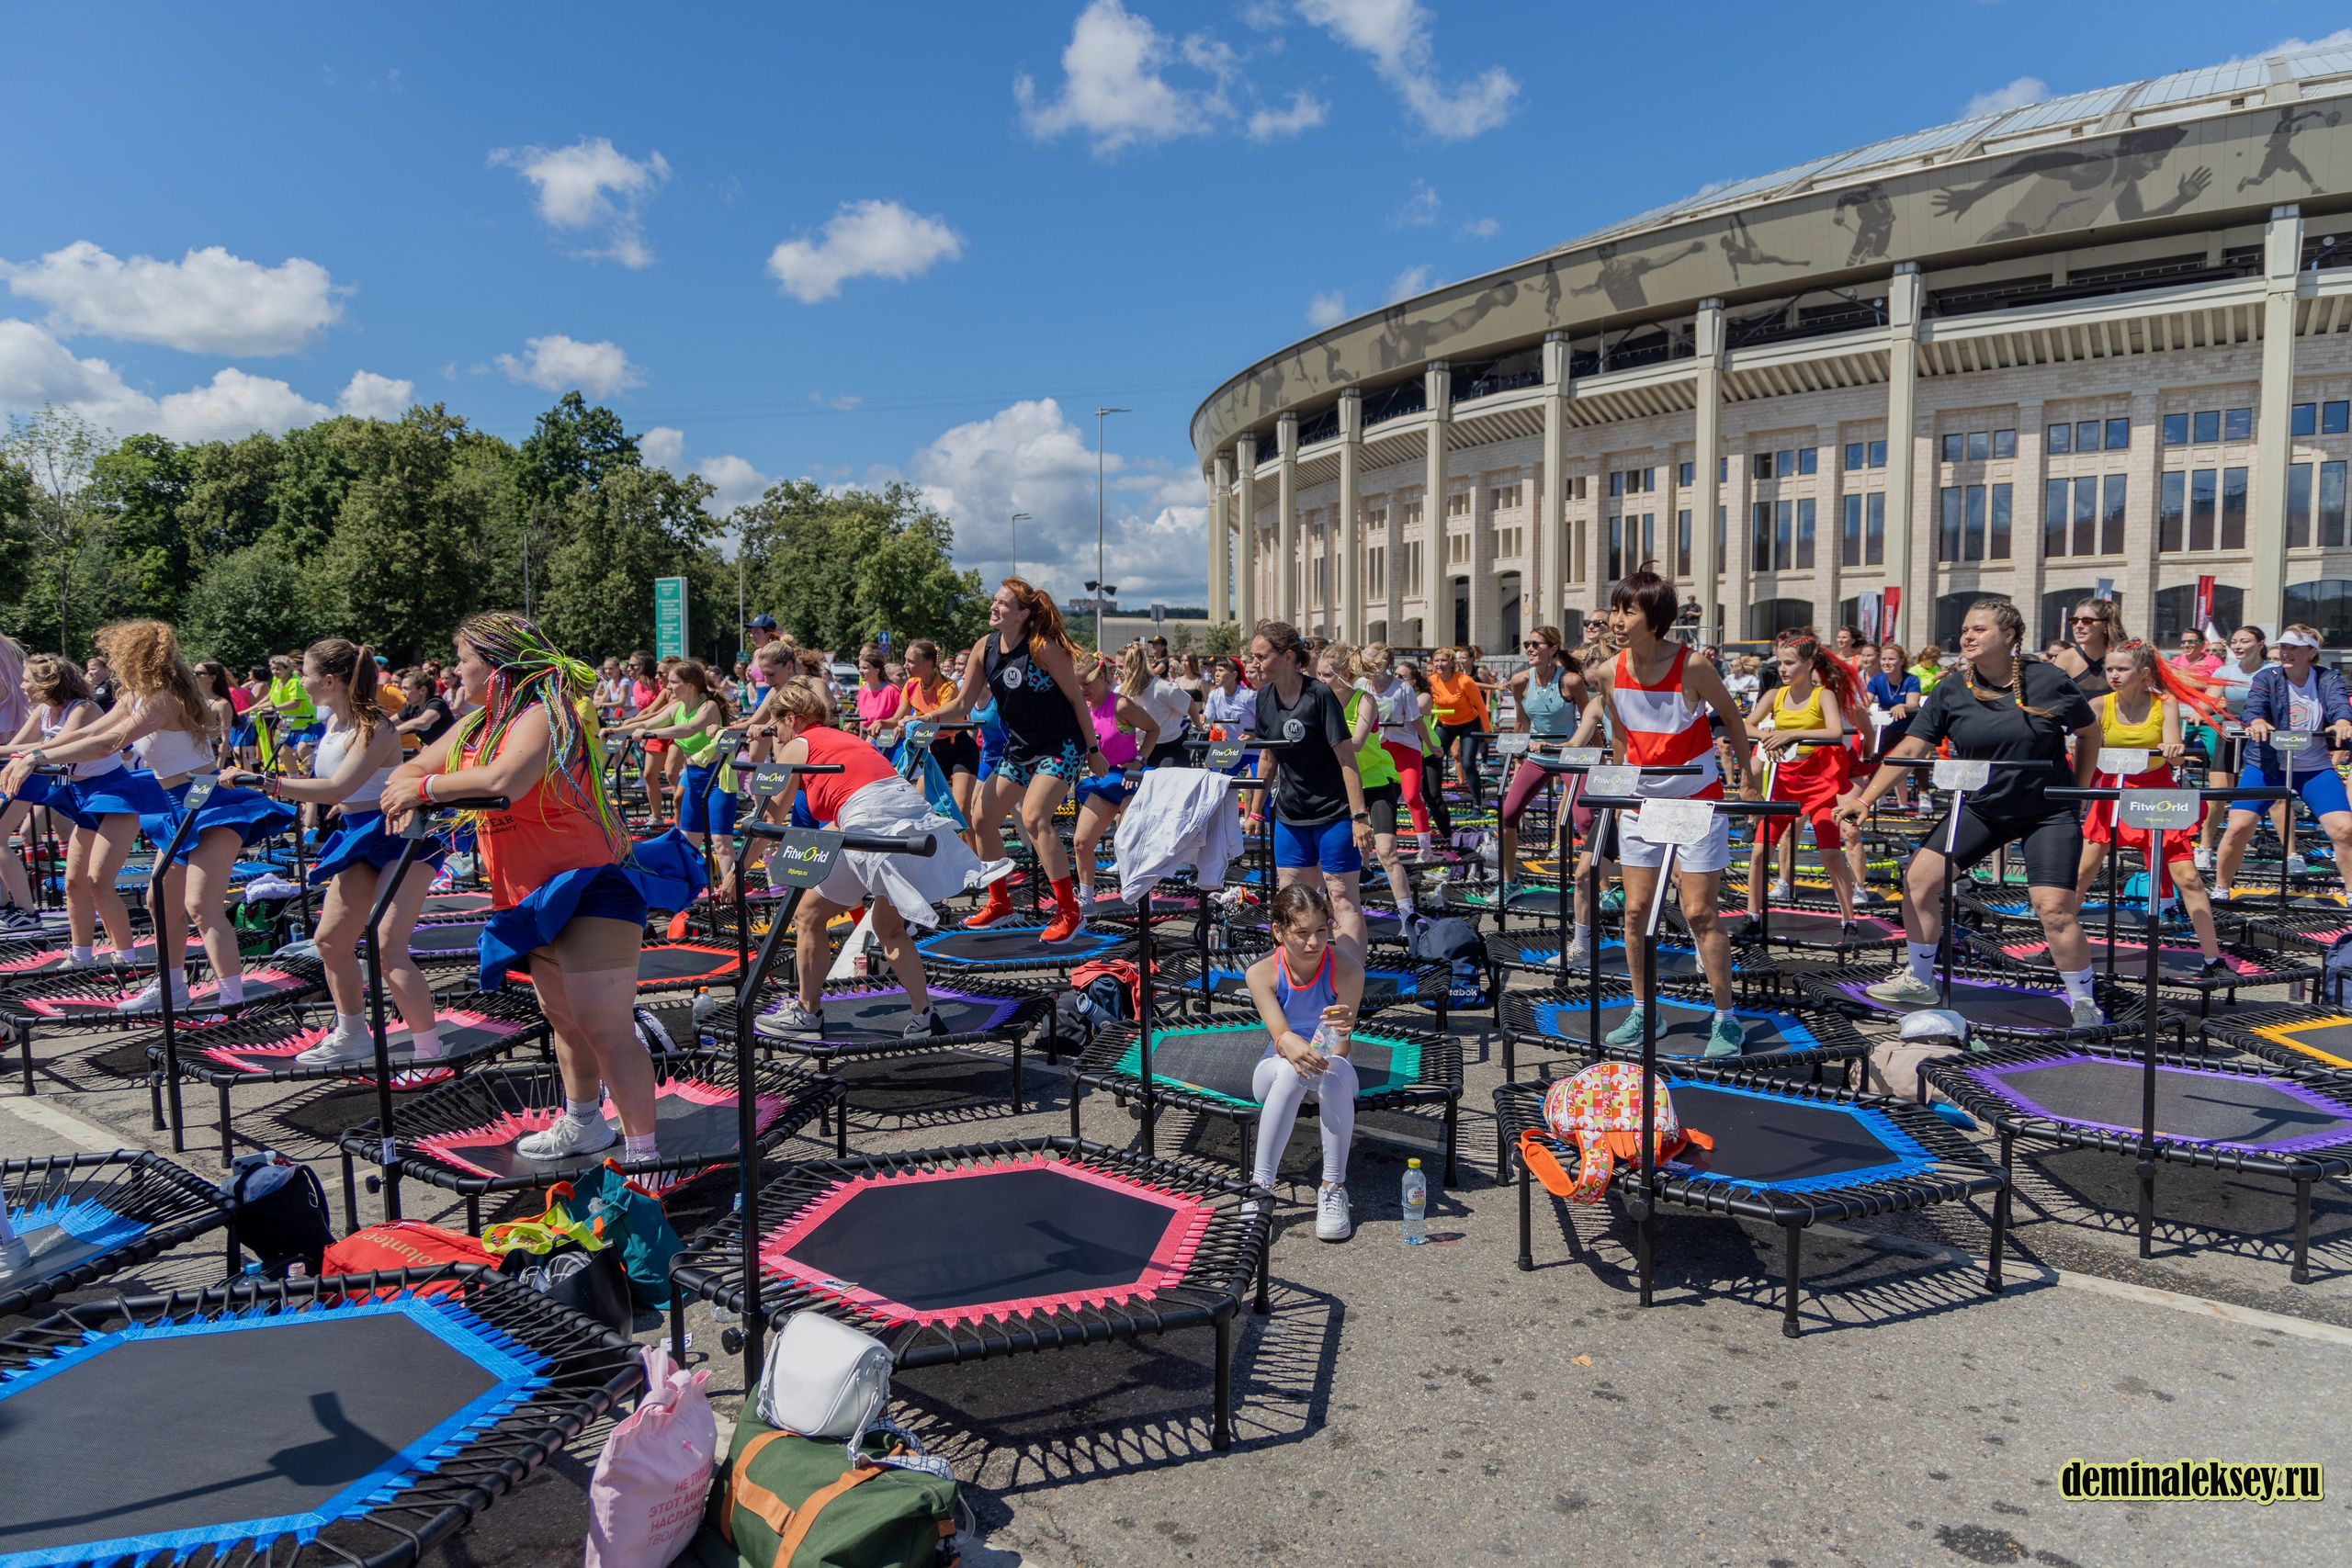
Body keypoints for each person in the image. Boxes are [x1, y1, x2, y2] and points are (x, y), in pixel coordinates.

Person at [382, 612, 664, 1166]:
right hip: (525, 894)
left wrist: (427, 790)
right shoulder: (474, 726)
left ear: (496, 668)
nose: (453, 674)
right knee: (562, 1018)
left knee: (603, 1026)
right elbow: (407, 769)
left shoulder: (540, 715)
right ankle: (584, 1122)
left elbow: (502, 781)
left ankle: (646, 1156)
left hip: (588, 886)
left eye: (462, 660)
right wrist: (414, 785)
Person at [1838, 600, 2104, 1023]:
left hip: (2046, 811)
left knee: (2053, 908)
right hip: (1981, 807)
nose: (1967, 636)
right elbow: (1911, 747)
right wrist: (1865, 799)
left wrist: (2080, 789)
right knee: (1919, 882)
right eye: (1965, 629)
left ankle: (2084, 1001)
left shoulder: (2047, 679)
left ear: (2010, 636)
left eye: (1979, 629)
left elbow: (2090, 732)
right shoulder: (1951, 687)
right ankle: (1920, 980)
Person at [5, 623, 292, 1012]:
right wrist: (26, 754)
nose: (112, 662)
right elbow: (86, 735)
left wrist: (37, 758)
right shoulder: (136, 697)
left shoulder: (166, 698)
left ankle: (231, 999)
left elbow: (109, 743)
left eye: (118, 655)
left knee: (201, 906)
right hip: (174, 802)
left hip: (206, 799)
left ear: (137, 657)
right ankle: (171, 986)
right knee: (159, 901)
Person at [225, 639, 446, 1064]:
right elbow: (339, 791)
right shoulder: (333, 726)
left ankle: (428, 1052)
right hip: (358, 832)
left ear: (328, 679)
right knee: (330, 941)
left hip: (401, 836)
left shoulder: (374, 726)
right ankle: (352, 1035)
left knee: (387, 948)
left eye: (304, 674)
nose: (298, 683)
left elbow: (337, 787)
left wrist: (260, 783)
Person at [750, 677, 994, 1041]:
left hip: (873, 827)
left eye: (775, 727)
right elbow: (845, 811)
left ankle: (807, 1013)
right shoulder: (846, 740)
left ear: (791, 718)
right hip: (907, 820)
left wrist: (735, 873)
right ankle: (924, 1015)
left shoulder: (798, 744)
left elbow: (770, 817)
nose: (776, 736)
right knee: (888, 927)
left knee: (808, 915)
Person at [1588, 570, 1757, 1055]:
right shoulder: (1608, 672)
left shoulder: (1693, 666)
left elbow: (1733, 719)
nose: (1617, 621)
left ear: (1656, 619)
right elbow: (1620, 738)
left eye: (1629, 612)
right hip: (1641, 802)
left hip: (1696, 800)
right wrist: (1621, 798)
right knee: (1637, 911)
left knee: (1700, 911)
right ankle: (1644, 1011)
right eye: (1616, 610)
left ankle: (1725, 1018)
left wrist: (1746, 779)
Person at [939, 578, 1107, 942]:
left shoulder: (1042, 647)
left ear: (1023, 614)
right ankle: (1000, 904)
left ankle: (1070, 911)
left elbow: (1078, 701)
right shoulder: (985, 647)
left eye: (1002, 604)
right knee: (982, 818)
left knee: (1033, 816)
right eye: (994, 601)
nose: (993, 608)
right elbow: (962, 705)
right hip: (1019, 748)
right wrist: (928, 718)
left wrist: (1093, 751)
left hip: (1060, 746)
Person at [2074, 643, 2232, 979]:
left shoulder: (2165, 703)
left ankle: (2213, 960)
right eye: (2109, 669)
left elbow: (2174, 757)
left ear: (2143, 673)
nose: (2113, 675)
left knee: (2188, 878)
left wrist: (2173, 748)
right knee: (2083, 872)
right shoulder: (2099, 705)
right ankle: (2056, 947)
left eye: (2121, 669)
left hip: (2157, 793)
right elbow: (2085, 753)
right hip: (2113, 792)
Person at [1241, 884, 1365, 1243]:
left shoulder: (1347, 968)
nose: (1314, 943)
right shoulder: (1261, 973)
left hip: (1330, 1070)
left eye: (1322, 931)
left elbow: (1340, 1049)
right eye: (1302, 933)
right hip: (1276, 1071)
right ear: (1278, 931)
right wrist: (1290, 1044)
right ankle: (1261, 1188)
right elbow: (1281, 1038)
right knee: (1289, 1069)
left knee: (1337, 1070)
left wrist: (1342, 1031)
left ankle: (1333, 1187)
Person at [1246, 622, 1374, 961]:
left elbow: (1347, 760)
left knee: (1342, 898)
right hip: (1290, 814)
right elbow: (1268, 756)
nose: (1254, 663)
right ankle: (1297, 981)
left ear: (1287, 656)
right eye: (1253, 656)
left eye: (1261, 656)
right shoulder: (1264, 697)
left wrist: (1359, 816)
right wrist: (1256, 810)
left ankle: (1349, 984)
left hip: (1334, 815)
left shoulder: (1319, 694)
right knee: (1291, 904)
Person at [2212, 626, 2352, 906]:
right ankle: (2221, 887)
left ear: (2312, 652)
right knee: (2239, 826)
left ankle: (2350, 892)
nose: (2286, 653)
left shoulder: (2328, 677)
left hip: (2314, 767)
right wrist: (2257, 721)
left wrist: (2341, 722)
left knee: (2344, 829)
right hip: (2267, 764)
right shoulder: (2268, 676)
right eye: (2284, 647)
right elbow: (2254, 707)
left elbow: (2339, 705)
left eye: (2294, 648)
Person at [0, 654, 126, 942]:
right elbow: (18, 745)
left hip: (110, 792)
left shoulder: (83, 708)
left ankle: (123, 951)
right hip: (78, 792)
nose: (21, 686)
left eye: (26, 680)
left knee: (98, 882)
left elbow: (57, 744)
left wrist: (26, 757)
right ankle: (81, 951)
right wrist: (15, 753)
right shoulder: (44, 709)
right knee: (75, 882)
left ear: (47, 682)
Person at [1743, 633, 1860, 927]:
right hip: (1786, 780)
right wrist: (1768, 735)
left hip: (1820, 783)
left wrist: (1792, 734)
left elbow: (1834, 732)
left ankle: (1849, 920)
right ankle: (1752, 914)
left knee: (1831, 853)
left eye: (1789, 663)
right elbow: (1748, 725)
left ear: (1808, 665)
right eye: (1779, 663)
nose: (1782, 669)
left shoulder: (1823, 695)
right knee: (1759, 852)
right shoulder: (1774, 695)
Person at [609, 660, 739, 889]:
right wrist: (616, 730)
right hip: (693, 777)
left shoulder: (707, 707)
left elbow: (688, 729)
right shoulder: (676, 707)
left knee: (721, 841)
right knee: (689, 841)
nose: (668, 687)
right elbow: (648, 720)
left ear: (690, 685)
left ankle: (731, 892)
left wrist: (651, 732)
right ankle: (692, 888)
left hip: (717, 778)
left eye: (673, 682)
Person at [1325, 645, 1415, 920]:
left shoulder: (1365, 700)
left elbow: (1359, 742)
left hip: (1376, 782)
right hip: (1341, 785)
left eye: (1326, 675)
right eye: (1317, 674)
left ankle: (1408, 918)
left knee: (1386, 851)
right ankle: (1331, 916)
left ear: (1345, 674)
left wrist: (1317, 742)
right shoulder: (1320, 700)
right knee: (1333, 859)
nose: (1320, 681)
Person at [1495, 626, 1581, 888]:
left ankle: (1600, 888)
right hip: (1537, 756)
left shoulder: (1570, 681)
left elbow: (1591, 719)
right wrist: (1516, 756)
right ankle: (1510, 881)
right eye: (1527, 644)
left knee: (1585, 821)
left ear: (1553, 649)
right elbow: (1521, 724)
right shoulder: (1520, 680)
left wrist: (1598, 758)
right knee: (1507, 815)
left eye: (1536, 644)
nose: (1530, 649)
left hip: (1569, 755)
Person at [1070, 654, 1159, 906]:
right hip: (1102, 780)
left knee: (1128, 840)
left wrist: (1140, 760)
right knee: (1081, 842)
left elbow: (1153, 730)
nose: (1081, 690)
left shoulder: (1120, 705)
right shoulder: (1082, 707)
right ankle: (1086, 899)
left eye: (1085, 684)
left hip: (1129, 778)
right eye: (1077, 684)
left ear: (1101, 677)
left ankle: (1143, 898)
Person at [2198, 625, 2274, 870]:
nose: (2238, 646)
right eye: (2234, 641)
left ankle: (2293, 854)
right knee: (2217, 795)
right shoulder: (2225, 670)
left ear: (2261, 644)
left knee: (2278, 798)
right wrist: (2199, 712)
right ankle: (2205, 847)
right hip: (2231, 732)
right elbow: (2209, 700)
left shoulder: (2274, 671)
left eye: (2244, 641)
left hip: (2263, 734)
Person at [896, 639, 984, 851]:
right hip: (934, 752)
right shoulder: (910, 686)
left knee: (961, 808)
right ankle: (940, 853)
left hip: (960, 750)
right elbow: (898, 717)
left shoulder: (947, 687)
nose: (905, 665)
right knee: (920, 804)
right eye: (905, 661)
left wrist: (916, 723)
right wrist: (886, 724)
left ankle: (975, 861)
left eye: (910, 661)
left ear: (927, 664)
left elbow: (943, 723)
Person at [1355, 646, 1433, 863]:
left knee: (1411, 796)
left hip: (1404, 747)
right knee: (1369, 802)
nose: (1365, 666)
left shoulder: (1402, 689)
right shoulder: (1361, 685)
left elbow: (1416, 720)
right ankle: (1365, 857)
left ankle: (1425, 849)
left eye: (1370, 661)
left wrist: (1431, 745)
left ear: (1384, 663)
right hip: (1377, 751)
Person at [1427, 647, 1490, 807]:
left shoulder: (1464, 681)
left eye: (1443, 660)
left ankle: (1477, 804)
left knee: (1468, 763)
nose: (1439, 664)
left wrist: (1488, 732)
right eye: (1437, 660)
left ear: (1451, 663)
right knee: (1433, 758)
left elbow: (1481, 706)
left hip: (1469, 723)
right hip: (1446, 724)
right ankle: (1434, 802)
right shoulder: (1432, 681)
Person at [1864, 642, 1924, 808]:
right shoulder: (1877, 680)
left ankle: (1923, 794)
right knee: (1873, 758)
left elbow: (1913, 703)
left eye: (1891, 659)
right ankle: (1878, 794)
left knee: (1916, 758)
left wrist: (1903, 706)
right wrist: (1861, 709)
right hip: (1890, 726)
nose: (1886, 663)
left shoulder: (1911, 679)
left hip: (1910, 727)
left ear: (1901, 661)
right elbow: (1865, 702)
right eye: (1883, 659)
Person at [1125, 644, 1198, 767]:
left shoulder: (1162, 687)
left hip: (1170, 748)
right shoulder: (1123, 691)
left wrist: (1198, 724)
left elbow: (1188, 702)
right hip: (1143, 750)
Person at [2050, 597, 2124, 702]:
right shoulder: (2065, 658)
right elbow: (2052, 698)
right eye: (2074, 620)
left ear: (2105, 624)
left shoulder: (2122, 657)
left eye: (2087, 621)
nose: (2078, 626)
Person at [850, 649, 899, 739]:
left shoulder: (892, 690)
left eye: (865, 668)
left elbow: (900, 718)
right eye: (859, 667)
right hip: (867, 736)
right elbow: (863, 722)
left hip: (886, 738)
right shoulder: (862, 690)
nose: (860, 671)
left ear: (876, 671)